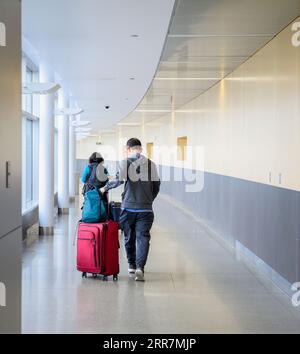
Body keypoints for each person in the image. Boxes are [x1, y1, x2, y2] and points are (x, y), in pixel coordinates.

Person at [100, 138, 160, 282]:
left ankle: (131, 265)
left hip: (128, 208)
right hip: (146, 209)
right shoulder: (151, 164)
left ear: (128, 149)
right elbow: (157, 186)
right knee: (143, 237)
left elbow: (118, 180)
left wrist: (105, 188)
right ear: (140, 148)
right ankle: (140, 267)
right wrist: (148, 199)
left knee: (129, 237)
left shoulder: (125, 162)